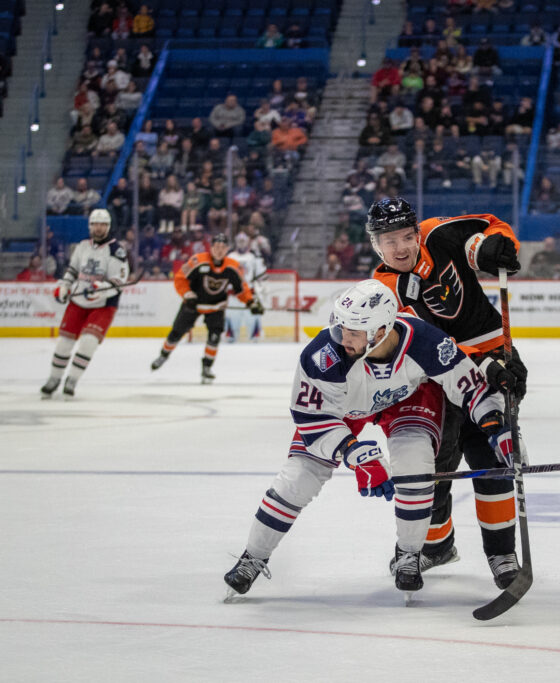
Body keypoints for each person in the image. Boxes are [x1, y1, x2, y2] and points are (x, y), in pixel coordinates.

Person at [223, 279, 517, 597]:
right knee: (297, 479)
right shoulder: (323, 355)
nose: (343, 337)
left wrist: (496, 425)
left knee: (414, 467)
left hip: (406, 400)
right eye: (341, 327)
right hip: (344, 409)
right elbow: (313, 419)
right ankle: (252, 557)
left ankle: (408, 555)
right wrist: (356, 454)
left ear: (381, 331)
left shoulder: (423, 340)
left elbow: (467, 384)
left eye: (354, 330)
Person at [365, 197, 527, 589]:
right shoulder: (383, 289)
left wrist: (497, 245)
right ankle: (436, 546)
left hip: (494, 355)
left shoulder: (440, 232)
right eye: (390, 241)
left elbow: (490, 225)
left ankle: (502, 552)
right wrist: (482, 364)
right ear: (376, 245)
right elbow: (429, 341)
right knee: (437, 465)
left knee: (492, 457)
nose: (401, 247)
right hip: (437, 375)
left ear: (417, 231)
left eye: (406, 236)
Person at [149, 233, 263, 383]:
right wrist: (188, 295)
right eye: (217, 247)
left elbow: (241, 289)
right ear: (211, 247)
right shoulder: (198, 261)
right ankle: (163, 355)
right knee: (176, 332)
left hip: (216, 307)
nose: (219, 250)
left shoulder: (232, 267)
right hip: (194, 304)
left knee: (214, 337)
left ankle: (207, 368)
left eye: (223, 247)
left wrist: (250, 302)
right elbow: (180, 279)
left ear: (227, 249)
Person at [41, 209, 131, 398]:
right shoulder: (82, 246)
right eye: (95, 224)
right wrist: (65, 286)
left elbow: (118, 283)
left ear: (108, 226)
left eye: (103, 225)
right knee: (64, 343)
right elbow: (72, 270)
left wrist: (100, 287)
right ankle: (54, 378)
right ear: (90, 226)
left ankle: (72, 380)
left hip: (103, 305)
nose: (99, 228)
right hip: (78, 301)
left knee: (88, 343)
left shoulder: (117, 251)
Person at [225, 233, 267, 343]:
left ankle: (255, 343)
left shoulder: (253, 257)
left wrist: (260, 293)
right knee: (231, 330)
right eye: (239, 241)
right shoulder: (230, 257)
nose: (241, 243)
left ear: (247, 242)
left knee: (253, 323)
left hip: (249, 294)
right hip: (234, 296)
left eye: (243, 241)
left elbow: (260, 276)